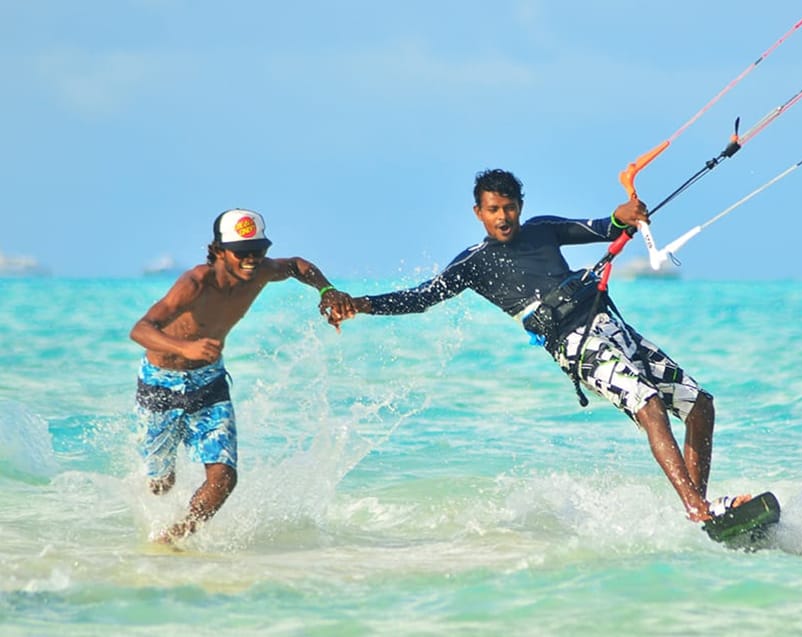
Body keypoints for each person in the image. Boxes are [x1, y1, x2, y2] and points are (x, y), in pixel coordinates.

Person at [330, 169, 749, 522]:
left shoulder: (543, 230)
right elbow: (421, 298)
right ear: (478, 213)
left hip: (609, 324)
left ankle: (699, 507)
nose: (503, 217)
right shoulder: (473, 263)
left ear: (520, 206)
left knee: (700, 405)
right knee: (650, 406)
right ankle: (697, 509)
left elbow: (606, 227)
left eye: (509, 207)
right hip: (574, 343)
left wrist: (625, 215)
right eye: (493, 210)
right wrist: (361, 304)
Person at [130, 208, 352, 543]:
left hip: (209, 383)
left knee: (224, 478)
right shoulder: (195, 283)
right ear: (219, 250)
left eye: (259, 251)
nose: (252, 260)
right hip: (160, 383)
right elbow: (141, 329)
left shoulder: (263, 271)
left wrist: (326, 291)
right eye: (242, 253)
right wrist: (185, 348)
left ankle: (175, 538)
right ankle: (154, 503)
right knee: (162, 483)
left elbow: (296, 266)